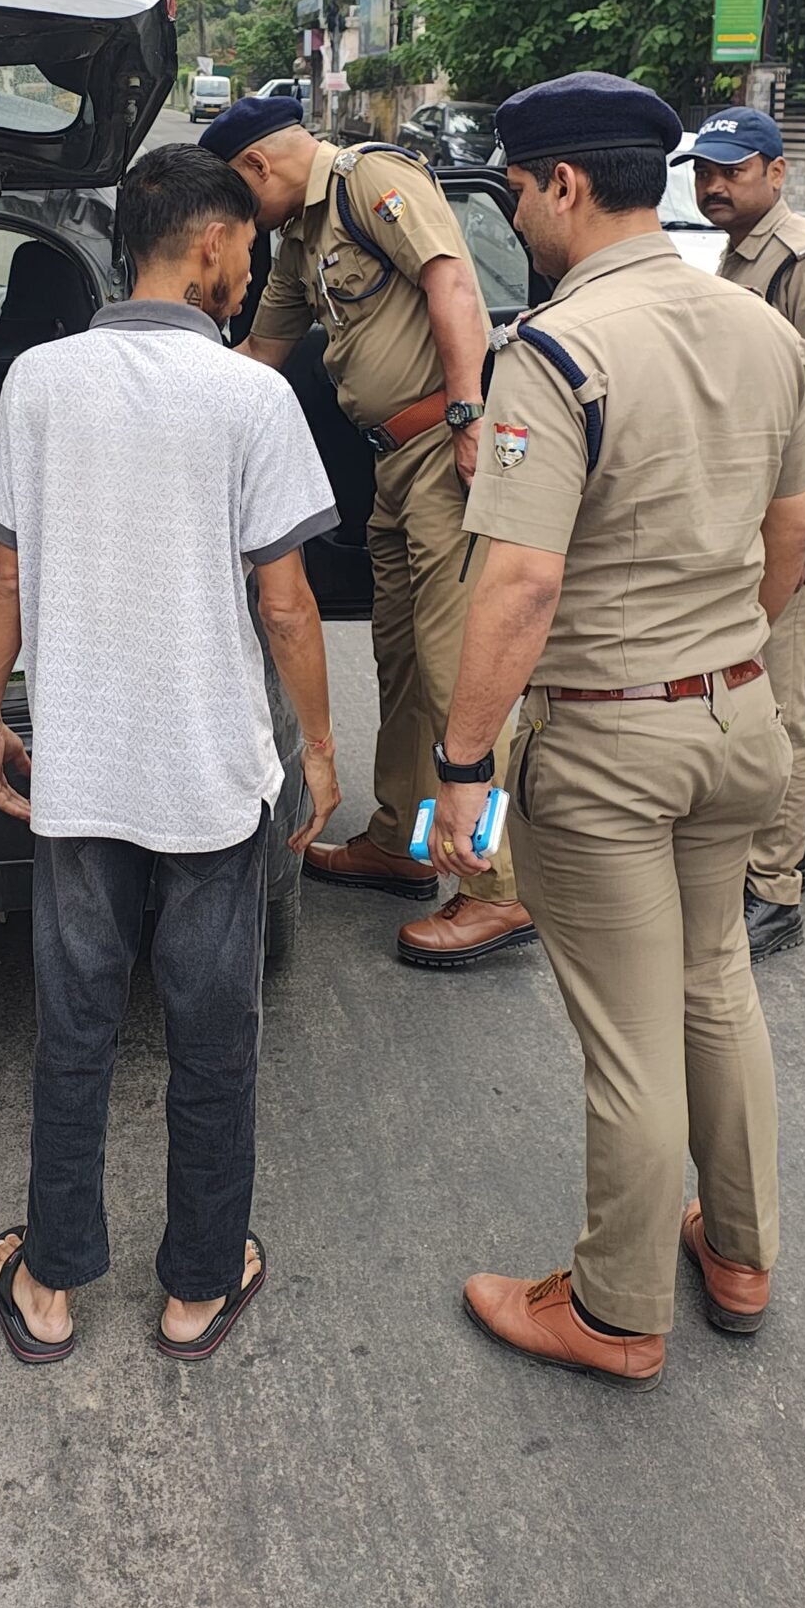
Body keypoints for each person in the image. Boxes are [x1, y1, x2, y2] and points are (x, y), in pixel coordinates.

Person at [426, 74, 805, 1387]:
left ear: (566, 185)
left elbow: (520, 586)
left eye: (516, 191)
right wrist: (720, 652)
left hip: (609, 742)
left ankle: (613, 1309)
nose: (514, 215)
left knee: (631, 1036)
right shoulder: (759, 328)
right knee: (716, 983)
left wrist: (462, 765)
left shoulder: (554, 350)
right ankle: (740, 1253)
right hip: (737, 715)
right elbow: (796, 533)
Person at [0, 146, 339, 1365]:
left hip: (81, 772)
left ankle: (49, 1285)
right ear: (212, 244)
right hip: (210, 777)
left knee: (74, 1024)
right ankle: (196, 1289)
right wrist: (319, 748)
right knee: (213, 1033)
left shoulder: (38, 380)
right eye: (248, 252)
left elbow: (7, 570)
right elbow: (286, 604)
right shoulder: (249, 396)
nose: (250, 274)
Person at [198, 94, 534, 972]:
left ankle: (497, 886)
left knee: (458, 669)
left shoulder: (370, 179)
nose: (236, 223)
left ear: (257, 167)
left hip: (442, 445)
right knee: (404, 661)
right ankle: (405, 840)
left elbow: (452, 282)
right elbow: (258, 357)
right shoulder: (297, 242)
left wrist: (469, 415)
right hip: (390, 464)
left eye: (234, 199)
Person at [672, 107, 805, 960]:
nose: (713, 185)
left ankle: (774, 885)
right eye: (704, 171)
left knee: (776, 706)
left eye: (733, 170)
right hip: (745, 519)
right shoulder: (738, 254)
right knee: (746, 689)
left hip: (785, 527)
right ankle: (772, 851)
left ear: (777, 171)